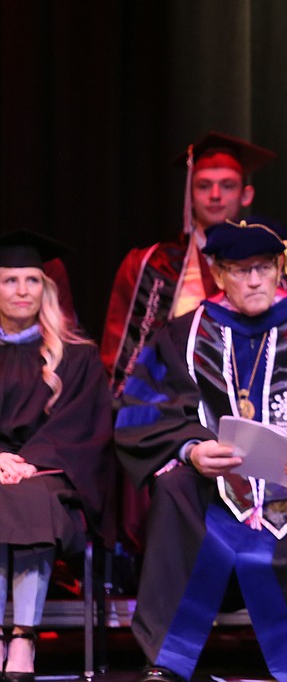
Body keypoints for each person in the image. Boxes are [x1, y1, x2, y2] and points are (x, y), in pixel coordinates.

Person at [114, 218, 287, 682]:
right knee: (174, 487)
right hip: (214, 496)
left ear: (280, 269)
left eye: (264, 267)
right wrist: (189, 450)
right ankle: (167, 658)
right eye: (240, 270)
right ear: (219, 274)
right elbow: (140, 412)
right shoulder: (183, 336)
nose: (254, 280)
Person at [101, 132, 287, 403]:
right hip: (176, 403)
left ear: (246, 194)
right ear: (190, 194)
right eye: (204, 186)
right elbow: (123, 358)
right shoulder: (152, 265)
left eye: (227, 185)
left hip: (262, 400)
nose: (215, 195)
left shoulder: (275, 262)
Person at [0, 230, 115, 682]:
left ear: (46, 289)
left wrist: (27, 461)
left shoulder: (77, 356)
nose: (22, 290)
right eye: (10, 280)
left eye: (32, 280)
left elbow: (86, 424)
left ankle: (23, 638)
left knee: (29, 495)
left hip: (50, 473)